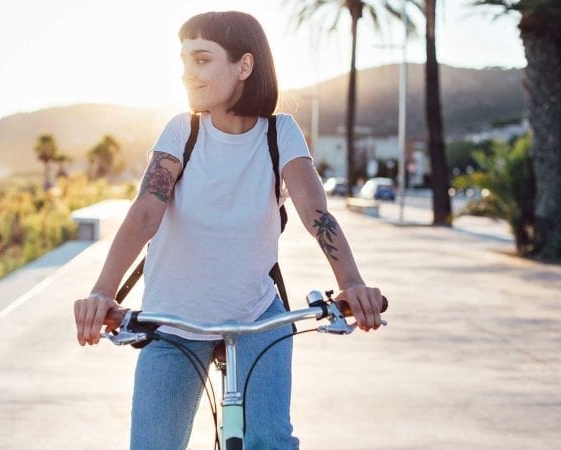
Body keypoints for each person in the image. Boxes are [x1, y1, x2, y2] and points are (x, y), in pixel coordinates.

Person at [73, 11, 384, 450]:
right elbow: (146, 210)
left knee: (270, 441)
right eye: (184, 61)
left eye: (202, 59)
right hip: (174, 320)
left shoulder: (281, 134)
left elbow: (318, 213)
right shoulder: (184, 130)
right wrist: (104, 291)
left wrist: (351, 284)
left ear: (244, 66)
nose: (189, 74)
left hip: (258, 316)